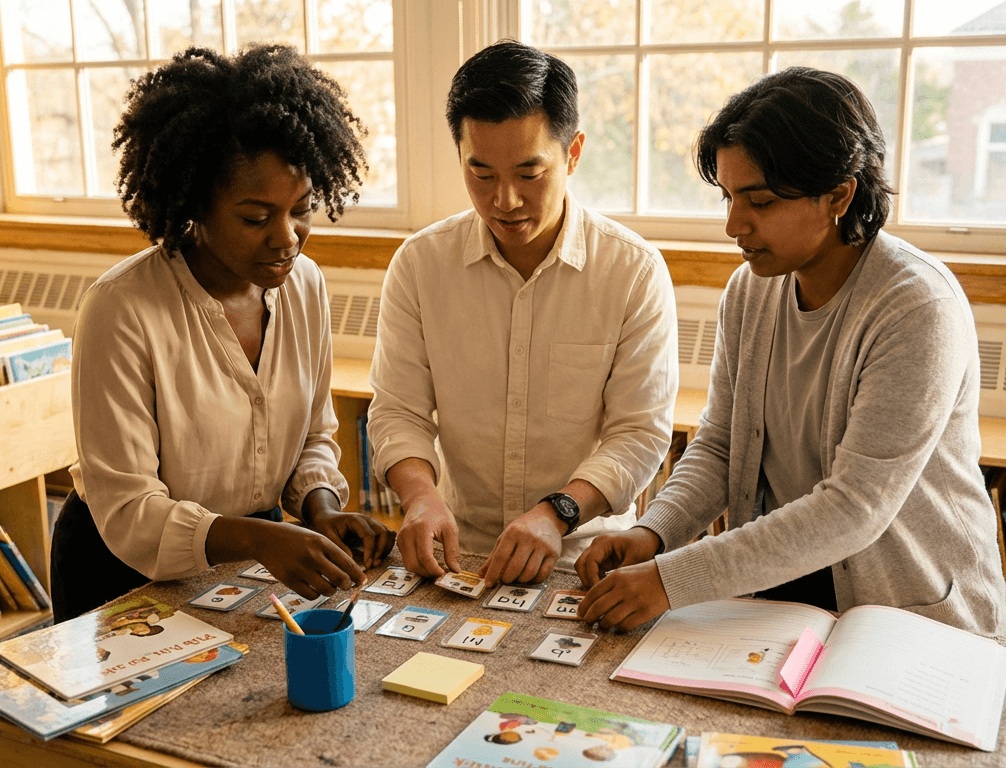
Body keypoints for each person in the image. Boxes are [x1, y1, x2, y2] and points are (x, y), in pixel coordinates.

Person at [573, 67, 1006, 766]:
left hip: (899, 599)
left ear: (840, 194)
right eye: (728, 197)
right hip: (780, 580)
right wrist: (653, 533)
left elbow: (853, 509)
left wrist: (671, 579)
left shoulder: (917, 306)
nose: (733, 225)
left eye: (760, 200)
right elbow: (718, 445)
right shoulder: (750, 290)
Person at [52, 44, 395, 623]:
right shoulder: (122, 308)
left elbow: (312, 435)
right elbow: (130, 510)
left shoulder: (305, 284)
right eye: (255, 218)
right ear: (194, 205)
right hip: (120, 569)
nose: (287, 237)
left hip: (254, 555)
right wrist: (260, 539)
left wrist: (321, 509)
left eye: (303, 209)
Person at [368, 40, 679, 589]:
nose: (505, 200)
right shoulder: (420, 264)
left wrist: (557, 513)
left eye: (529, 173)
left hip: (584, 554)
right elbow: (399, 410)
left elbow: (639, 432)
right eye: (482, 174)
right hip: (459, 549)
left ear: (573, 153)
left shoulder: (633, 270)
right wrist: (419, 496)